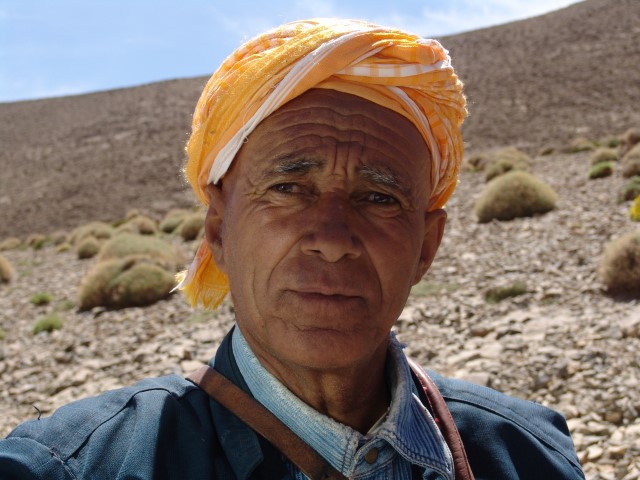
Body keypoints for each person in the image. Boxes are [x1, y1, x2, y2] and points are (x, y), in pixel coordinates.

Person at [0, 18, 584, 479]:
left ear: (427, 247)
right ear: (219, 231)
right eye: (288, 189)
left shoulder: (528, 453)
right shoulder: (72, 467)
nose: (332, 239)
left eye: (379, 198)